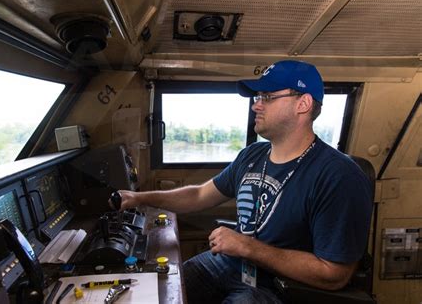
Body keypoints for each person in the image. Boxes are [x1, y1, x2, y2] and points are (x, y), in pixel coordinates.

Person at [113, 60, 373, 303]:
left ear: (302, 104)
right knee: (166, 289)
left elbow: (334, 274)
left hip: (276, 285)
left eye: (267, 97)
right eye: (257, 97)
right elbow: (199, 195)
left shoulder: (339, 176)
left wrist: (249, 247)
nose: (256, 105)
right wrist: (140, 198)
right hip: (232, 263)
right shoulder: (252, 155)